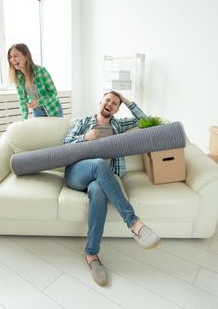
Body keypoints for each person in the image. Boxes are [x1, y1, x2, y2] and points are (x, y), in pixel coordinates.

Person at [62, 90, 161, 287]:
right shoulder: (83, 123)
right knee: (99, 163)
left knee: (98, 192)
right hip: (77, 173)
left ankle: (92, 255)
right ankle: (134, 223)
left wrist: (125, 100)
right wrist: (85, 138)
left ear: (116, 109)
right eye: (107, 100)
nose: (110, 104)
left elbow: (147, 120)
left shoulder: (118, 125)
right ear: (100, 101)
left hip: (100, 180)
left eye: (115, 103)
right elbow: (63, 146)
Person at [7, 43, 63, 119]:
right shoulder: (18, 78)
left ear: (26, 56)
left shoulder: (41, 71)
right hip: (37, 111)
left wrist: (39, 102)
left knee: (55, 131)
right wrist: (24, 119)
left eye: (16, 56)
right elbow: (22, 100)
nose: (12, 59)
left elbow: (53, 93)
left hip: (53, 109)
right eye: (10, 57)